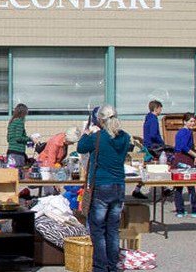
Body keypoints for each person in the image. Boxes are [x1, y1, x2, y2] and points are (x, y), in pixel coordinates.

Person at [76, 105, 131, 272]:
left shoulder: (97, 137)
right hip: (119, 185)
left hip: (101, 185)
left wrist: (87, 133)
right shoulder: (125, 137)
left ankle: (100, 266)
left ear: (100, 120)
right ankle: (112, 266)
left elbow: (80, 147)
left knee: (98, 229)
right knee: (113, 228)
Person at [173, 113, 196, 218]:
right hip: (185, 160)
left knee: (178, 187)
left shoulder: (180, 132)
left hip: (177, 159)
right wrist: (195, 154)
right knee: (192, 186)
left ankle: (180, 211)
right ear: (185, 122)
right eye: (190, 121)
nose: (192, 123)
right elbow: (184, 147)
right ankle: (195, 210)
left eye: (193, 121)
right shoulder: (186, 132)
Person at [135, 100, 165, 199]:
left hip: (148, 146)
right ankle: (163, 187)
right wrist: (162, 143)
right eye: (160, 108)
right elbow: (153, 134)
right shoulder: (153, 120)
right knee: (160, 166)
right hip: (153, 148)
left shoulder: (148, 118)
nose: (161, 110)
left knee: (146, 169)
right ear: (156, 108)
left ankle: (138, 189)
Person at [7, 103, 37, 169]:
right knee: (19, 174)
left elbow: (9, 139)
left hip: (11, 152)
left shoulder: (12, 122)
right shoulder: (19, 122)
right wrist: (31, 139)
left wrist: (27, 141)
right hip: (18, 153)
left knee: (12, 174)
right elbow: (18, 138)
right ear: (23, 113)